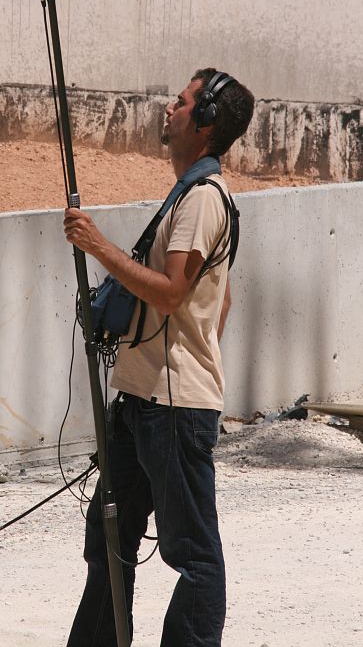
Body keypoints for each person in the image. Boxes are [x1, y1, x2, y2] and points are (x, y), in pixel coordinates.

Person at [63, 68, 255, 647]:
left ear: (205, 121)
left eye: (182, 101)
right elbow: (219, 299)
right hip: (144, 402)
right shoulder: (188, 197)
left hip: (173, 409)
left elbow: (172, 292)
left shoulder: (202, 199)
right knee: (109, 538)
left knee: (192, 555)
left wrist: (97, 246)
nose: (169, 108)